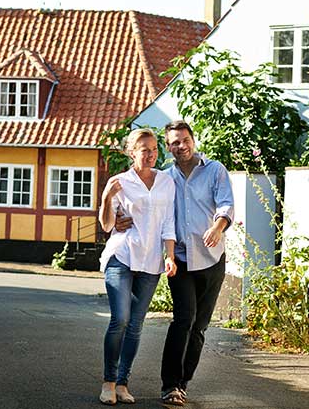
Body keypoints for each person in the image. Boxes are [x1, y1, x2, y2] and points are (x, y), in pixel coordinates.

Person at [115, 120, 233, 406]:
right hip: (179, 259)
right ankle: (170, 385)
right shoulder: (165, 179)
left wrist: (217, 227)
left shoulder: (215, 169)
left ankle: (183, 383)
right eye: (174, 143)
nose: (181, 146)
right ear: (168, 148)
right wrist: (119, 221)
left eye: (184, 140)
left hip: (211, 259)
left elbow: (226, 205)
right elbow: (149, 210)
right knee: (183, 319)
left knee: (200, 326)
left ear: (193, 139)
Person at [97, 128, 178, 405]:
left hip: (151, 260)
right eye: (144, 149)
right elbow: (107, 225)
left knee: (135, 325)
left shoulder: (167, 182)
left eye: (154, 149)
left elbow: (169, 223)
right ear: (132, 152)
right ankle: (108, 382)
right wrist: (107, 197)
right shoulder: (120, 181)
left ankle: (122, 383)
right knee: (120, 318)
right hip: (122, 255)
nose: (151, 154)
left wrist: (169, 256)